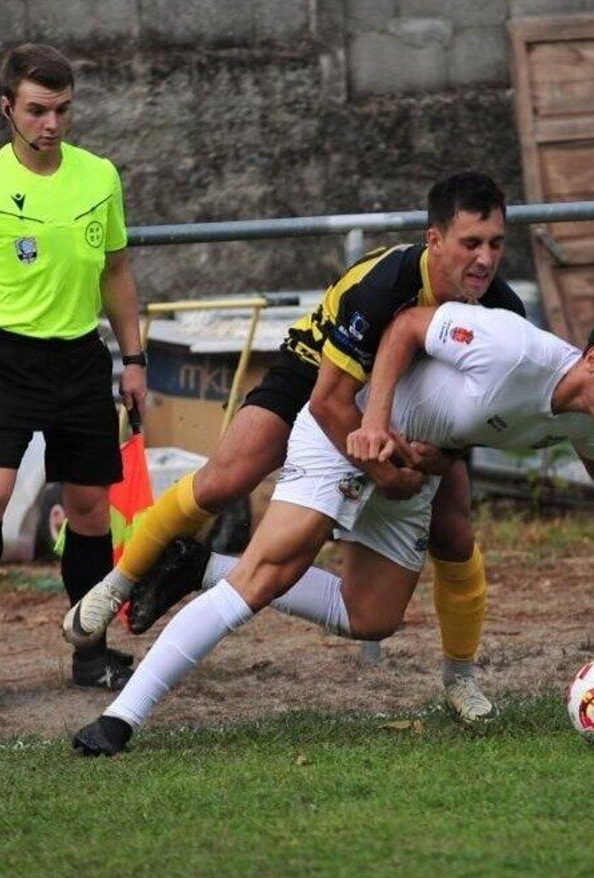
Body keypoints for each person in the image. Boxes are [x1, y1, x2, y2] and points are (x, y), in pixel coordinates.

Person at [69, 290, 594, 755]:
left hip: (411, 469)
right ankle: (121, 719)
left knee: (372, 618)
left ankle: (199, 564)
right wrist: (374, 424)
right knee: (265, 579)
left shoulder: (590, 413)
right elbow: (405, 328)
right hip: (349, 429)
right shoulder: (512, 345)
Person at [63, 172, 524, 721]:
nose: (485, 259)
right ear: (434, 241)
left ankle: (461, 678)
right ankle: (119, 582)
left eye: (496, 244)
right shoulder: (383, 286)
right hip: (317, 377)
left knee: (454, 534)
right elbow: (331, 404)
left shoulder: (503, 315)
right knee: (225, 480)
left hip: (405, 405)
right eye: (471, 243)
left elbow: (478, 413)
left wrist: (441, 458)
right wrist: (379, 471)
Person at [0, 44, 146, 703]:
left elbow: (118, 273)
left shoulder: (99, 177)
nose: (51, 124)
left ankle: (90, 650)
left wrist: (134, 359)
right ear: (7, 108)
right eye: (37, 111)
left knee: (91, 509)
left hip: (80, 358)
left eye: (63, 110)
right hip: (6, 362)